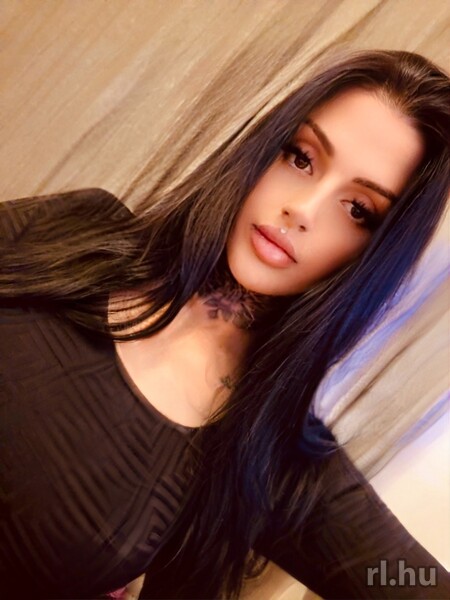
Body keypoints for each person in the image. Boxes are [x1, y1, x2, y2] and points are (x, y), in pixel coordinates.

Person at [0, 47, 449, 599]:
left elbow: (410, 583)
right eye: (301, 158)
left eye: (358, 209)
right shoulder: (79, 229)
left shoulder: (270, 453)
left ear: (375, 254)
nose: (304, 209)